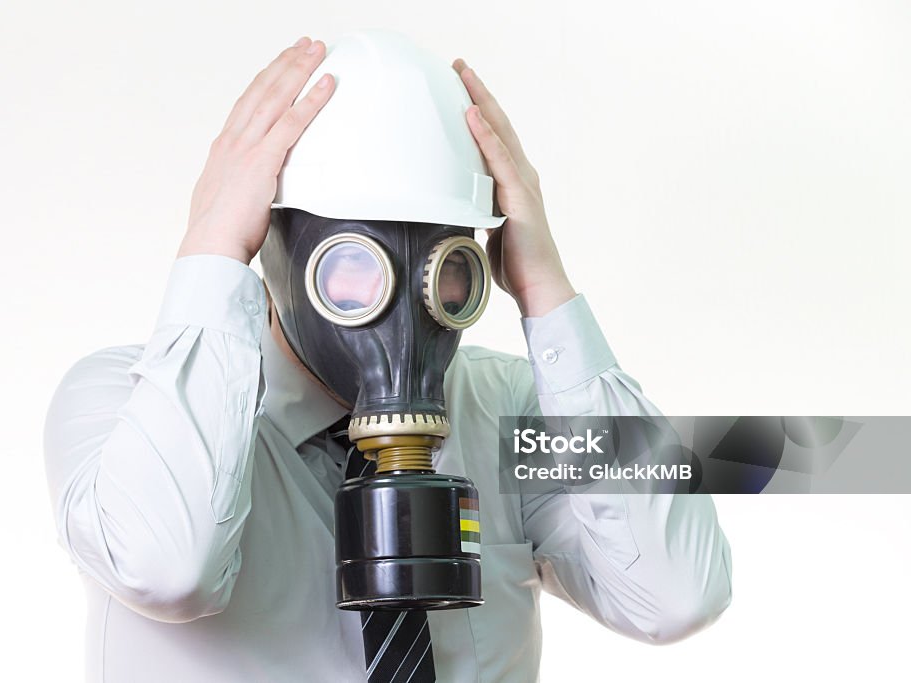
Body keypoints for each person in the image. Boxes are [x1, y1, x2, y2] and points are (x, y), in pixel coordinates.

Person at [44, 32, 732, 683]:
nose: (404, 321)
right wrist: (212, 254)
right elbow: (169, 568)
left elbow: (677, 594)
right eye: (353, 270)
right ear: (274, 246)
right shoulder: (123, 405)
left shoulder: (512, 410)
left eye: (447, 271)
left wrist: (547, 294)